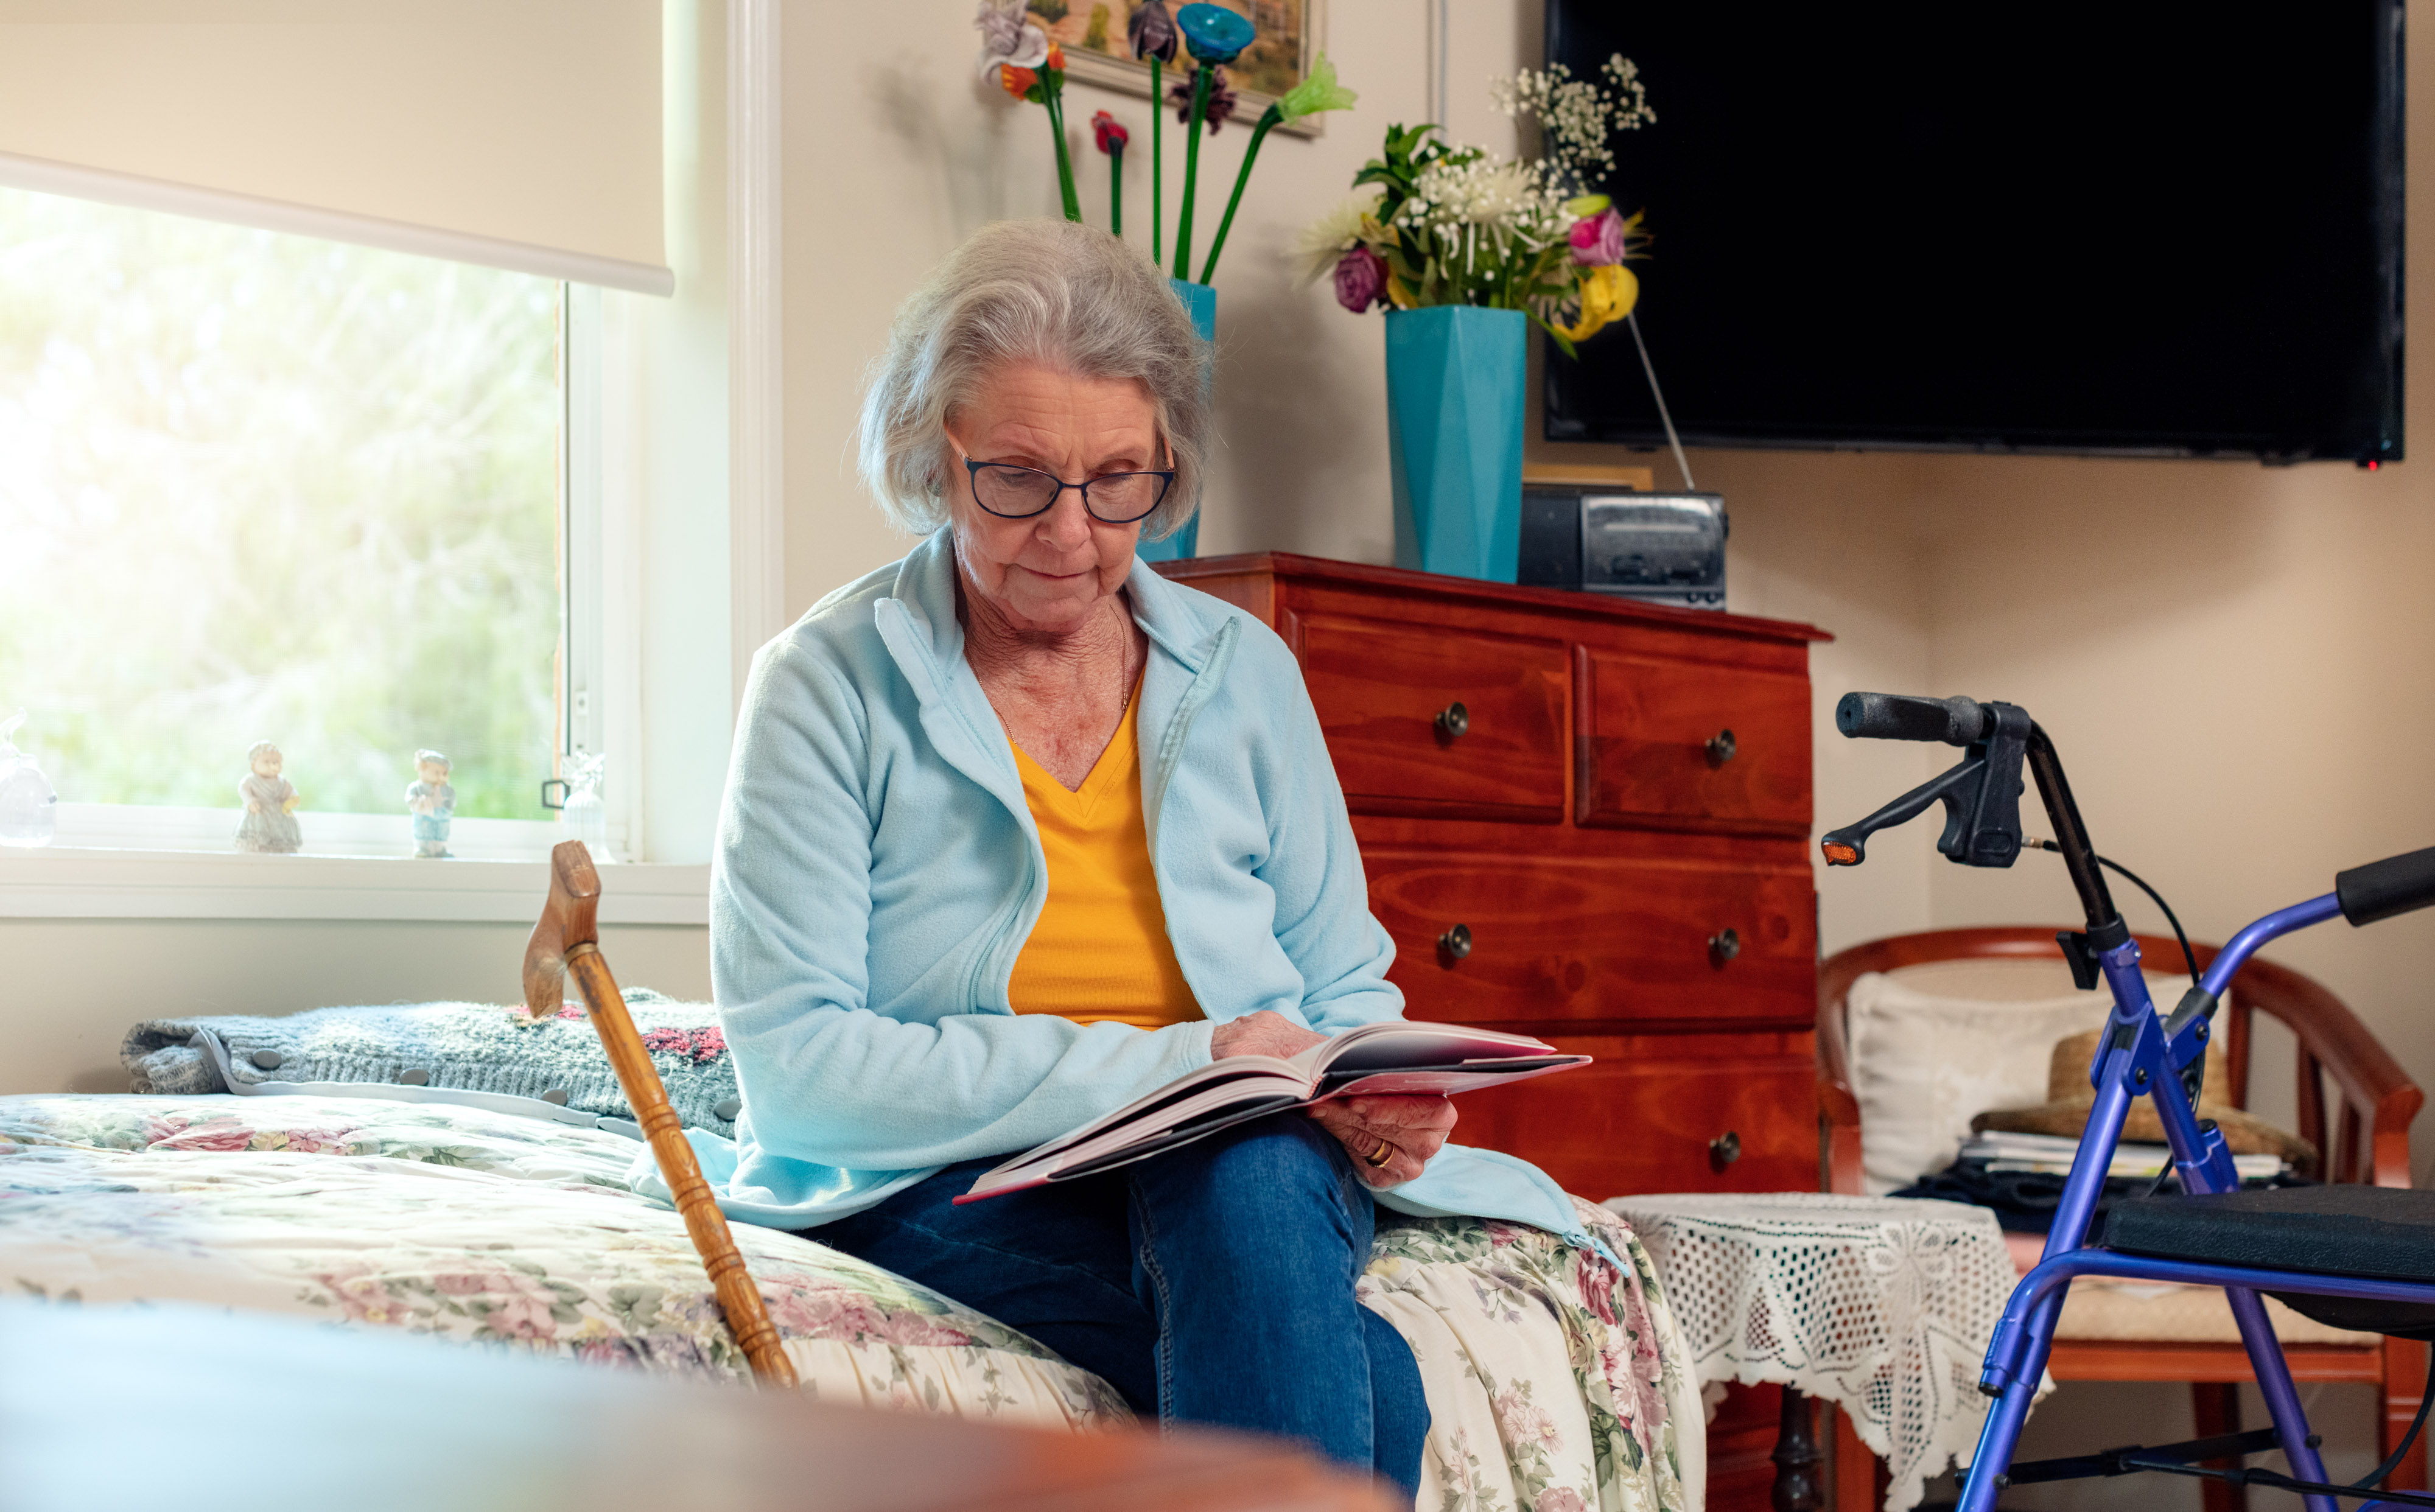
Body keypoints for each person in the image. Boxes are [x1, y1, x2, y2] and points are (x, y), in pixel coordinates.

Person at [710, 219, 1596, 1497]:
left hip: (1247, 1153)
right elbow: (800, 1077)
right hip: (948, 1175)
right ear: (930, 460)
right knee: (1367, 1374)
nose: (1070, 530)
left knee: (1242, 1167)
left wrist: (1376, 1099)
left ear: (1164, 465)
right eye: (1013, 478)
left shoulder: (1244, 673)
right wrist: (1190, 1062)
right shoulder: (822, 686)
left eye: (1117, 480)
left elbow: (1342, 988)